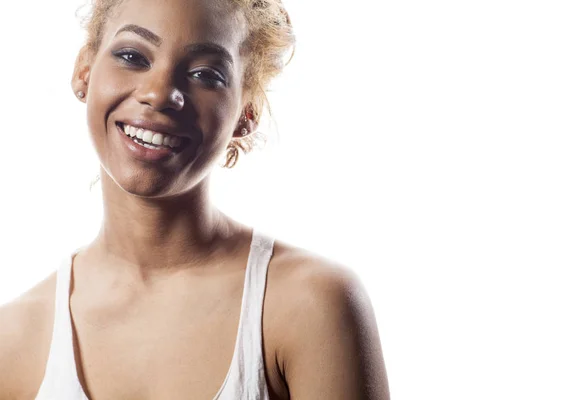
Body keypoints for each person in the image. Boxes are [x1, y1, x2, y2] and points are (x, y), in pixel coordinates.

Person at [0, 0, 390, 398]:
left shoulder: (310, 305)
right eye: (133, 56)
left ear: (247, 111)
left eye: (206, 74)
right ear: (84, 70)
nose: (159, 93)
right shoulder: (13, 342)